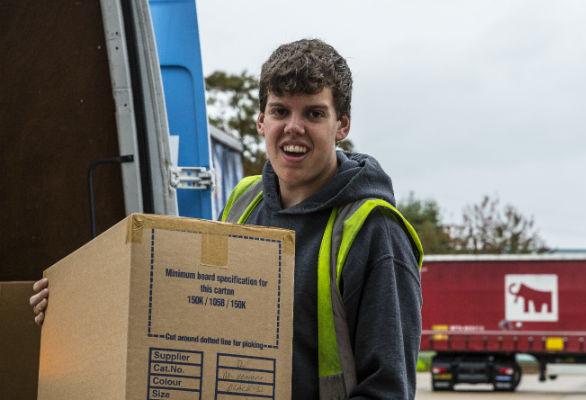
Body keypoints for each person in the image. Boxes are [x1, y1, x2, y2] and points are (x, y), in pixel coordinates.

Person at [31, 38, 423, 399]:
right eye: (280, 111)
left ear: (342, 126)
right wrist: (73, 307)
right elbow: (181, 308)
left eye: (314, 113)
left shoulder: (375, 231)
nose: (294, 128)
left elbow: (389, 389)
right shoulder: (243, 202)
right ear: (260, 122)